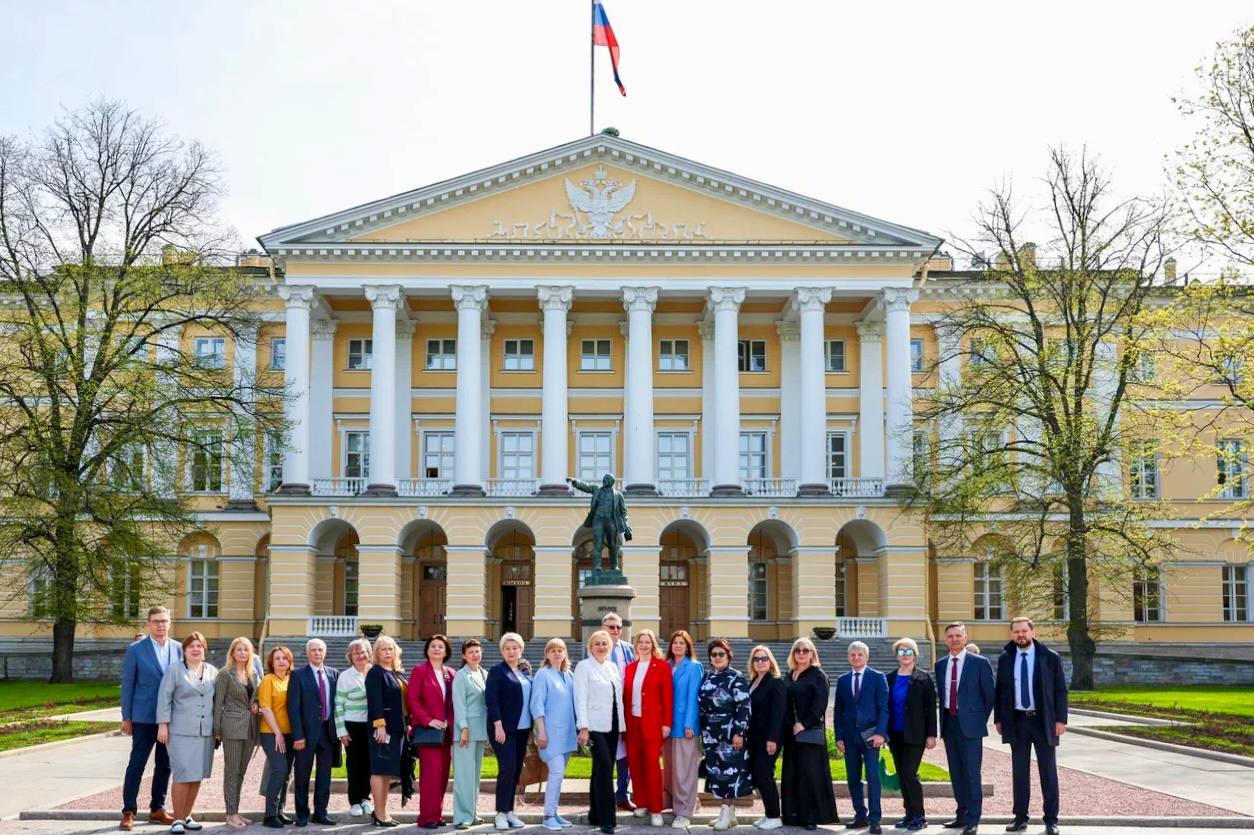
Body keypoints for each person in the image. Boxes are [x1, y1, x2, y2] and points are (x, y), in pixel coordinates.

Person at [994, 617, 1068, 835]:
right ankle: (1020, 817)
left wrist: (1061, 720)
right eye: (1016, 631)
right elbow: (1000, 691)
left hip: (1043, 721)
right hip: (1017, 721)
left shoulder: (1049, 657)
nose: (1021, 635)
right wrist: (999, 719)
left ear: (1033, 632)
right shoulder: (1006, 658)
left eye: (1024, 631)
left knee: (1048, 771)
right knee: (1019, 772)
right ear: (1011, 634)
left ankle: (1051, 819)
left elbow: (1060, 691)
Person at [120, 606, 182, 831]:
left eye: (164, 621)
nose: (160, 625)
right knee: (137, 763)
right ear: (148, 624)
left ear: (169, 623)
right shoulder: (136, 649)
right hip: (143, 717)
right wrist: (127, 717)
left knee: (164, 764)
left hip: (170, 717)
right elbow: (128, 684)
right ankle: (128, 811)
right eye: (156, 621)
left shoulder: (178, 649)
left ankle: (157, 808)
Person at [935, 622, 995, 835]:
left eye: (958, 635)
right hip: (949, 723)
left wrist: (977, 719)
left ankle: (973, 818)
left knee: (971, 772)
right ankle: (961, 814)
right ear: (945, 640)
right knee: (956, 772)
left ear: (965, 638)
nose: (954, 639)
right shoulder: (940, 664)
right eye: (950, 636)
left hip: (971, 725)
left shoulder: (979, 662)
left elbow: (989, 695)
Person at [155, 632, 217, 835]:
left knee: (196, 774)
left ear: (204, 650)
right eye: (191, 646)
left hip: (205, 731)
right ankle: (177, 819)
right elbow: (164, 698)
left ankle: (187, 816)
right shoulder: (174, 670)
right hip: (180, 731)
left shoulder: (212, 671)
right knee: (182, 774)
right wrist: (163, 725)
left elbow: (217, 701)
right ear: (184, 650)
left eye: (199, 646)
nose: (195, 649)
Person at [781, 637, 838, 831]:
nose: (801, 653)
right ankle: (793, 815)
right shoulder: (790, 675)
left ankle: (811, 816)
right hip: (791, 734)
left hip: (809, 732)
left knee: (810, 776)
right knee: (793, 774)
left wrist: (803, 724)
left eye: (805, 650)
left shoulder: (818, 676)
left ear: (812, 653)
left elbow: (820, 705)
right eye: (797, 650)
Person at [575, 628, 627, 834]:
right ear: (590, 646)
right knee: (605, 768)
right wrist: (583, 728)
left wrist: (622, 726)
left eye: (604, 643)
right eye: (597, 643)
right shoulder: (584, 667)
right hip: (593, 726)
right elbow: (580, 698)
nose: (601, 647)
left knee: (599, 768)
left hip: (613, 725)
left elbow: (618, 699)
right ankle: (607, 820)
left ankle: (595, 814)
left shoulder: (612, 667)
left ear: (610, 646)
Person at [835, 641, 889, 833]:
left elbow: (884, 708)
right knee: (853, 778)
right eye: (853, 655)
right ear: (848, 657)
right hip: (850, 737)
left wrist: (881, 733)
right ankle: (860, 816)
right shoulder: (842, 680)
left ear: (867, 657)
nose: (856, 657)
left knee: (873, 777)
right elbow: (838, 711)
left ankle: (875, 819)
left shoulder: (877, 677)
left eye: (860, 654)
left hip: (871, 735)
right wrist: (839, 737)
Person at [699, 638, 752, 831]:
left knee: (729, 773)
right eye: (714, 654)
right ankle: (729, 815)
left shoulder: (736, 678)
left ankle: (726, 813)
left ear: (729, 656)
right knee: (716, 773)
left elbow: (744, 707)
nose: (717, 657)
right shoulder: (707, 677)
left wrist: (739, 732)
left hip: (730, 733)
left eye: (721, 654)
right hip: (710, 733)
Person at [885, 638, 937, 833]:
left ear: (915, 655)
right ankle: (908, 813)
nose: (905, 655)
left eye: (909, 652)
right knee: (902, 774)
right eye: (901, 652)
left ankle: (918, 816)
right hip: (895, 734)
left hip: (916, 735)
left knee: (909, 773)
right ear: (896, 655)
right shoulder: (890, 678)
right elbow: (885, 707)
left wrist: (931, 734)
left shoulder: (923, 678)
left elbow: (931, 708)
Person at [622, 629, 674, 827]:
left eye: (647, 642)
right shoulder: (629, 668)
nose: (644, 645)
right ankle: (642, 803)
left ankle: (655, 809)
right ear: (635, 645)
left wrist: (666, 723)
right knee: (635, 765)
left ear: (653, 645)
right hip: (632, 724)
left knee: (652, 766)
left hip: (653, 723)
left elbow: (667, 696)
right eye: (640, 642)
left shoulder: (661, 667)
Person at [286, 639, 340, 827]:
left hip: (328, 733)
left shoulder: (333, 674)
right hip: (306, 734)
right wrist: (298, 735)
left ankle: (321, 813)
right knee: (302, 775)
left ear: (325, 652)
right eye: (313, 650)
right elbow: (293, 708)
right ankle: (302, 814)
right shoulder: (298, 675)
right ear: (308, 653)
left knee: (325, 776)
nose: (317, 653)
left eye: (320, 650)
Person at [408, 634, 456, 829]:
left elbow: (453, 702)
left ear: (446, 651)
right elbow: (413, 699)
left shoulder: (450, 673)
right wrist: (428, 720)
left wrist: (449, 723)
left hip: (446, 732)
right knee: (431, 776)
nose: (437, 649)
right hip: (428, 731)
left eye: (441, 646)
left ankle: (437, 815)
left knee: (443, 774)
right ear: (427, 650)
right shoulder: (420, 670)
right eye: (433, 646)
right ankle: (427, 817)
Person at [531, 638, 579, 831]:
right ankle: (548, 816)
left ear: (565, 653)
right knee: (556, 772)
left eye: (560, 650)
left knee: (559, 775)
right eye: (553, 650)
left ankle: (554, 812)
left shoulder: (569, 675)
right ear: (547, 655)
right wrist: (541, 731)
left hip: (567, 734)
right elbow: (536, 705)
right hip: (549, 734)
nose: (557, 653)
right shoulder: (543, 674)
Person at [486, 632, 532, 830]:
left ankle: (510, 811)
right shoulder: (497, 671)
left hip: (522, 729)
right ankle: (500, 814)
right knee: (507, 769)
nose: (511, 652)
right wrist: (498, 725)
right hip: (503, 729)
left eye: (515, 648)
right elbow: (491, 700)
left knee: (516, 770)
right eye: (507, 648)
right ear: (502, 651)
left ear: (521, 650)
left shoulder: (525, 671)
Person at [213, 637, 260, 830]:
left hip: (250, 727)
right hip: (231, 727)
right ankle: (230, 814)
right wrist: (217, 730)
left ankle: (235, 810)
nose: (242, 653)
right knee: (231, 772)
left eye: (246, 650)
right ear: (232, 652)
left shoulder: (253, 673)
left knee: (241, 772)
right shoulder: (224, 674)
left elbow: (254, 698)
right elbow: (218, 703)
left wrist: (256, 704)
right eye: (239, 649)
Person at [365, 635, 407, 827]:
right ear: (377, 653)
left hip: (397, 728)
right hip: (382, 729)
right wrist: (380, 726)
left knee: (387, 771)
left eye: (390, 648)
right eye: (383, 649)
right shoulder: (376, 672)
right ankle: (379, 814)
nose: (388, 652)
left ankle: (383, 811)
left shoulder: (397, 672)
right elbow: (375, 701)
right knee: (379, 769)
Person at [663, 630, 703, 829]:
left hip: (684, 726)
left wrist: (690, 724)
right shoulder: (666, 665)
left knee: (684, 771)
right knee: (671, 770)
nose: (678, 645)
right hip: (667, 726)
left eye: (682, 643)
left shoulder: (694, 667)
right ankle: (675, 803)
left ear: (687, 647)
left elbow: (694, 697)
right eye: (675, 642)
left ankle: (685, 811)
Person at [747, 645, 786, 831]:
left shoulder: (775, 682)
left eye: (764, 658)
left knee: (764, 774)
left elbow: (778, 713)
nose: (760, 662)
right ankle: (768, 813)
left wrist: (773, 739)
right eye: (756, 659)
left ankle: (774, 816)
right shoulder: (754, 681)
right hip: (754, 737)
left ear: (770, 661)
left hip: (768, 738)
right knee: (758, 775)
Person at [258, 645, 297, 829]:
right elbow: (265, 708)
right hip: (271, 733)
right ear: (271, 663)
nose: (281, 661)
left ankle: (280, 811)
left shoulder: (292, 679)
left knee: (287, 773)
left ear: (289, 661)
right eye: (277, 658)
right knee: (279, 769)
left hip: (291, 734)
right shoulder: (268, 680)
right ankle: (269, 814)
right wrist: (278, 734)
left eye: (284, 658)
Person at [334, 638, 374, 819]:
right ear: (350, 657)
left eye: (363, 652)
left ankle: (366, 798)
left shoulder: (374, 672)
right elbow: (339, 705)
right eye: (356, 653)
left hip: (372, 725)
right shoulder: (346, 676)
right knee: (354, 764)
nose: (360, 655)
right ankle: (355, 801)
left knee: (369, 763)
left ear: (369, 654)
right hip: (352, 725)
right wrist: (342, 731)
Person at [452, 639, 489, 829]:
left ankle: (472, 814)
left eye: (477, 651)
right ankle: (461, 817)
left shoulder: (484, 674)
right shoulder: (461, 675)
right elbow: (459, 704)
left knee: (474, 776)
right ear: (464, 656)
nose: (475, 655)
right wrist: (463, 728)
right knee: (464, 776)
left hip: (480, 729)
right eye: (471, 652)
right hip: (465, 731)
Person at [602, 611, 636, 812]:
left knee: (626, 754)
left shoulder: (629, 649)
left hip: (627, 709)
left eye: (618, 627)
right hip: (604, 711)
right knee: (606, 755)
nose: (615, 630)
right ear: (603, 628)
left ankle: (623, 794)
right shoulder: (596, 649)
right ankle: (604, 797)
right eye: (611, 627)